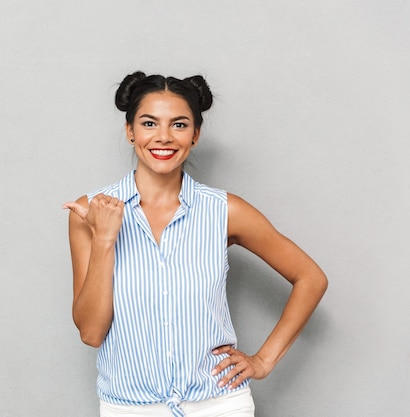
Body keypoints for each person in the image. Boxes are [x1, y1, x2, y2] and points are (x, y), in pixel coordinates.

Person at [63, 71, 328, 417]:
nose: (163, 137)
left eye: (178, 125)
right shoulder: (90, 212)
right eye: (148, 123)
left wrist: (262, 360)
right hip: (130, 407)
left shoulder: (225, 211)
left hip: (219, 404)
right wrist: (105, 240)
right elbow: (91, 333)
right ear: (130, 132)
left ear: (195, 135)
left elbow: (311, 278)